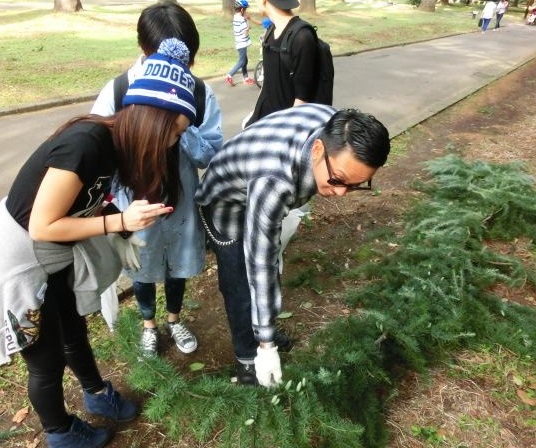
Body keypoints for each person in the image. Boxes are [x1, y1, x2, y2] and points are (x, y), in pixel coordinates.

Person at [0, 38, 198, 448]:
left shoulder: (114, 149)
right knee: (44, 360)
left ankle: (95, 393)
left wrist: (120, 228)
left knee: (73, 328)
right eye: (173, 133)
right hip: (21, 257)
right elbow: (42, 224)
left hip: (55, 255)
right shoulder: (87, 143)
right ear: (152, 121)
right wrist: (120, 221)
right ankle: (59, 432)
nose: (173, 144)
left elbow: (89, 200)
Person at [195, 104, 391, 387]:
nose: (340, 193)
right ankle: (248, 358)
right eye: (338, 180)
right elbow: (259, 261)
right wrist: (267, 349)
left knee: (271, 261)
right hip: (226, 200)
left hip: (258, 179)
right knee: (239, 277)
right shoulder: (275, 180)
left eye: (356, 185)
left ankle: (264, 330)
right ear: (317, 150)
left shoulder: (342, 127)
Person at [92, 0, 223, 358]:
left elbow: (211, 152)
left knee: (178, 265)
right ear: (142, 48)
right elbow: (98, 153)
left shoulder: (198, 92)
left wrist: (182, 125)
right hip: (134, 205)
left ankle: (174, 318)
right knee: (143, 268)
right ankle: (149, 325)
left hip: (180, 203)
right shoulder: (118, 91)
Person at [244, 0, 317, 127]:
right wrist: (256, 114)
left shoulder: (302, 37)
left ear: (264, 1)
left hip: (284, 126)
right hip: (265, 118)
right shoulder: (271, 31)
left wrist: (282, 131)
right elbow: (268, 84)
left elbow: (302, 99)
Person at [225, 0, 256, 87]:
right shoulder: (241, 19)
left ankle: (246, 78)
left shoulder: (235, 17)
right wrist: (248, 24)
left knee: (245, 61)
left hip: (239, 42)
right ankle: (229, 75)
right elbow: (245, 32)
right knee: (242, 61)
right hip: (242, 43)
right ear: (242, 10)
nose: (246, 11)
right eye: (245, 9)